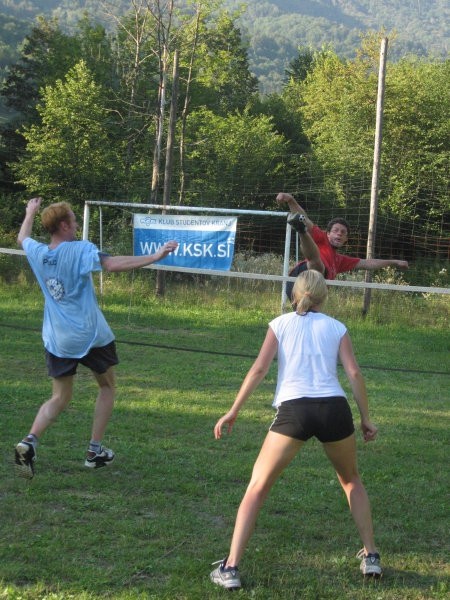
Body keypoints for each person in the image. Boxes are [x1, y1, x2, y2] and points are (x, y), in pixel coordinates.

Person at [209, 269, 382, 590]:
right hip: (335, 409)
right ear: (324, 296)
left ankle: (230, 568)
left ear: (294, 294)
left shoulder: (280, 323)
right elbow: (355, 374)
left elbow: (260, 368)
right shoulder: (337, 327)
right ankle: (371, 555)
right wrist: (366, 418)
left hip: (295, 411)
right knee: (351, 480)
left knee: (257, 487)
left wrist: (234, 410)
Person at [14, 197, 178, 479]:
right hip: (91, 336)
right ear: (64, 225)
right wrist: (155, 257)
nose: (77, 224)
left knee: (60, 397)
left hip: (58, 340)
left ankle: (29, 441)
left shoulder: (38, 253)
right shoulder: (80, 250)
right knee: (107, 387)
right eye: (74, 220)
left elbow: (22, 238)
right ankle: (94, 451)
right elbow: (112, 264)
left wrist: (30, 212)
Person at [277, 192, 409, 302]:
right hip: (299, 278)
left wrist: (394, 262)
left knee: (305, 316)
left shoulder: (340, 261)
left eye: (343, 232)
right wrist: (290, 199)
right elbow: (304, 217)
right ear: (328, 234)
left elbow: (368, 263)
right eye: (335, 230)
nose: (339, 234)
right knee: (317, 264)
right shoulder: (321, 237)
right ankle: (301, 231)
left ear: (346, 239)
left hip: (311, 292)